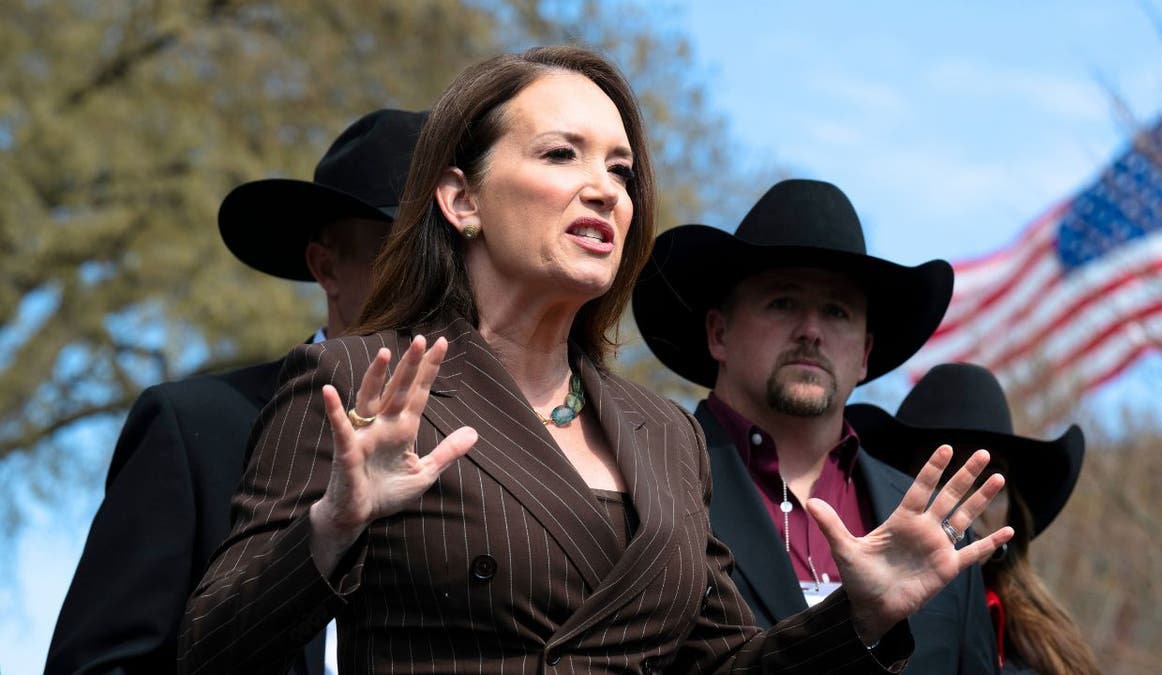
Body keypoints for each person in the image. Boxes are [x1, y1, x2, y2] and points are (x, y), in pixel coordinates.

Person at [179, 46, 1012, 674]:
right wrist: (332, 527)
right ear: (462, 199)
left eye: (621, 169)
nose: (607, 188)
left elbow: (726, 665)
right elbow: (211, 647)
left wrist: (858, 615)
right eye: (560, 154)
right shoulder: (358, 380)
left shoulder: (664, 434)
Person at [45, 108, 427, 675]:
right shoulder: (195, 428)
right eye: (405, 252)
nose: (436, 277)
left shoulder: (505, 443)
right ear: (327, 268)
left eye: (457, 253)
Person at [631, 178, 999, 673]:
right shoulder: (641, 484)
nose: (811, 331)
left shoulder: (942, 530)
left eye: (836, 311)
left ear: (865, 354)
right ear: (718, 333)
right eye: (782, 302)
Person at [846, 362, 1100, 675]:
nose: (969, 504)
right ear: (893, 490)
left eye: (990, 482)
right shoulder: (848, 617)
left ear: (1012, 512)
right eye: (944, 477)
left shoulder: (1048, 649)